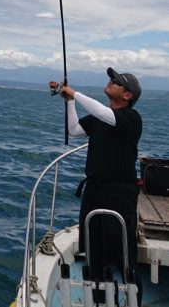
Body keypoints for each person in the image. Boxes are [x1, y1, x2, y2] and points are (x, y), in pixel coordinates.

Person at [60, 68, 142, 301]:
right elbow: (74, 130)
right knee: (93, 251)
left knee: (124, 254)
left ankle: (133, 299)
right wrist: (69, 102)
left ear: (127, 95)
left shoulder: (131, 119)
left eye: (116, 81)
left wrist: (74, 93)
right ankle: (97, 300)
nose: (110, 82)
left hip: (120, 194)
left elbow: (105, 114)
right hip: (94, 191)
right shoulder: (99, 117)